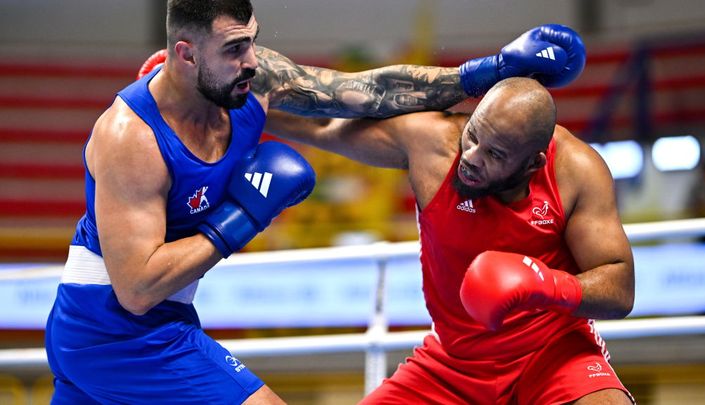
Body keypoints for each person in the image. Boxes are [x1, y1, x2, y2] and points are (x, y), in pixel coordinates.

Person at [43, 0, 586, 402]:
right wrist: (242, 217)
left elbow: (358, 97)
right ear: (185, 55)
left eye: (252, 40)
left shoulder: (248, 83)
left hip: (161, 320)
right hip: (115, 330)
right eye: (235, 49)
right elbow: (137, 290)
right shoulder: (129, 138)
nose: (253, 60)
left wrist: (484, 73)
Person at [265, 77, 636, 404]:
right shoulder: (433, 144)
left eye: (495, 154)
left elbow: (620, 289)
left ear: (532, 164)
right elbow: (325, 125)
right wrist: (242, 109)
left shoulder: (575, 170)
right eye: (473, 135)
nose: (471, 157)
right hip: (452, 362)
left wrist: (545, 284)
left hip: (552, 353)